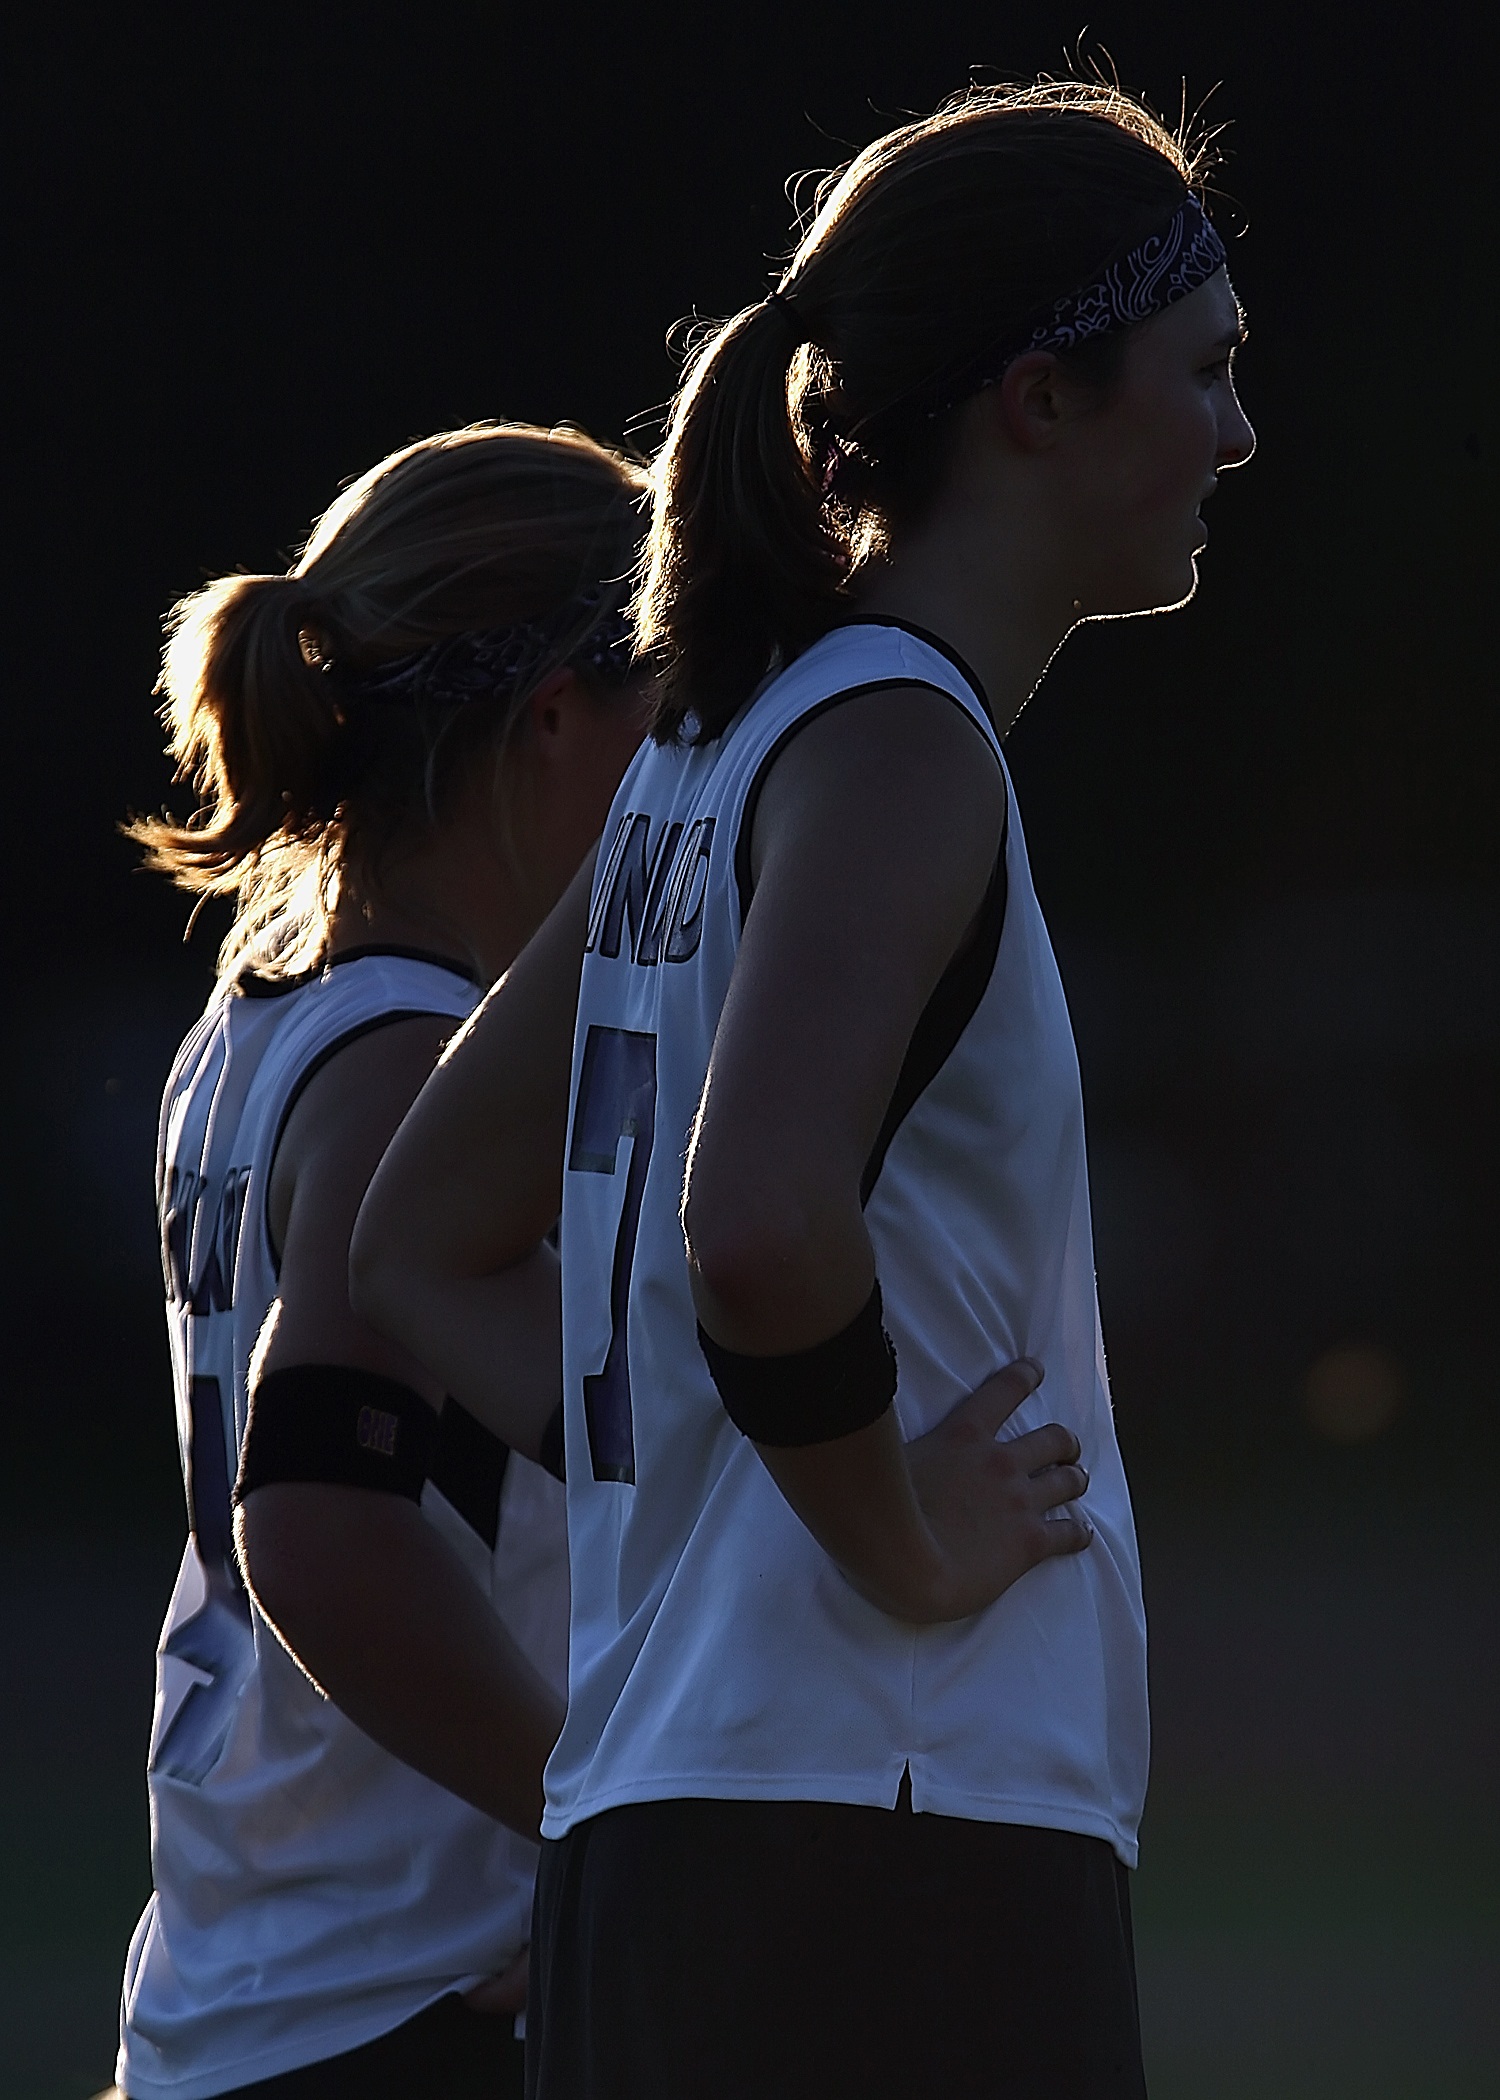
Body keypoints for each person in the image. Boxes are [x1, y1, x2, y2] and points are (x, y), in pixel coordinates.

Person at [353, 78, 1255, 2100]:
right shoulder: (893, 752)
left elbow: (410, 1244)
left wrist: (707, 1459)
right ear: (1041, 397)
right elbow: (758, 1225)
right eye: (1204, 374)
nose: (1236, 435)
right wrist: (897, 1538)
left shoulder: (714, 754)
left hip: (675, 1836)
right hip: (886, 1836)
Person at [112, 422, 651, 2100]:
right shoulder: (413, 1061)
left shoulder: (257, 1029)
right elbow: (328, 1531)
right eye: (675, 713)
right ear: (557, 714)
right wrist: (600, 1827)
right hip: (390, 2008)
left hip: (259, 1978)